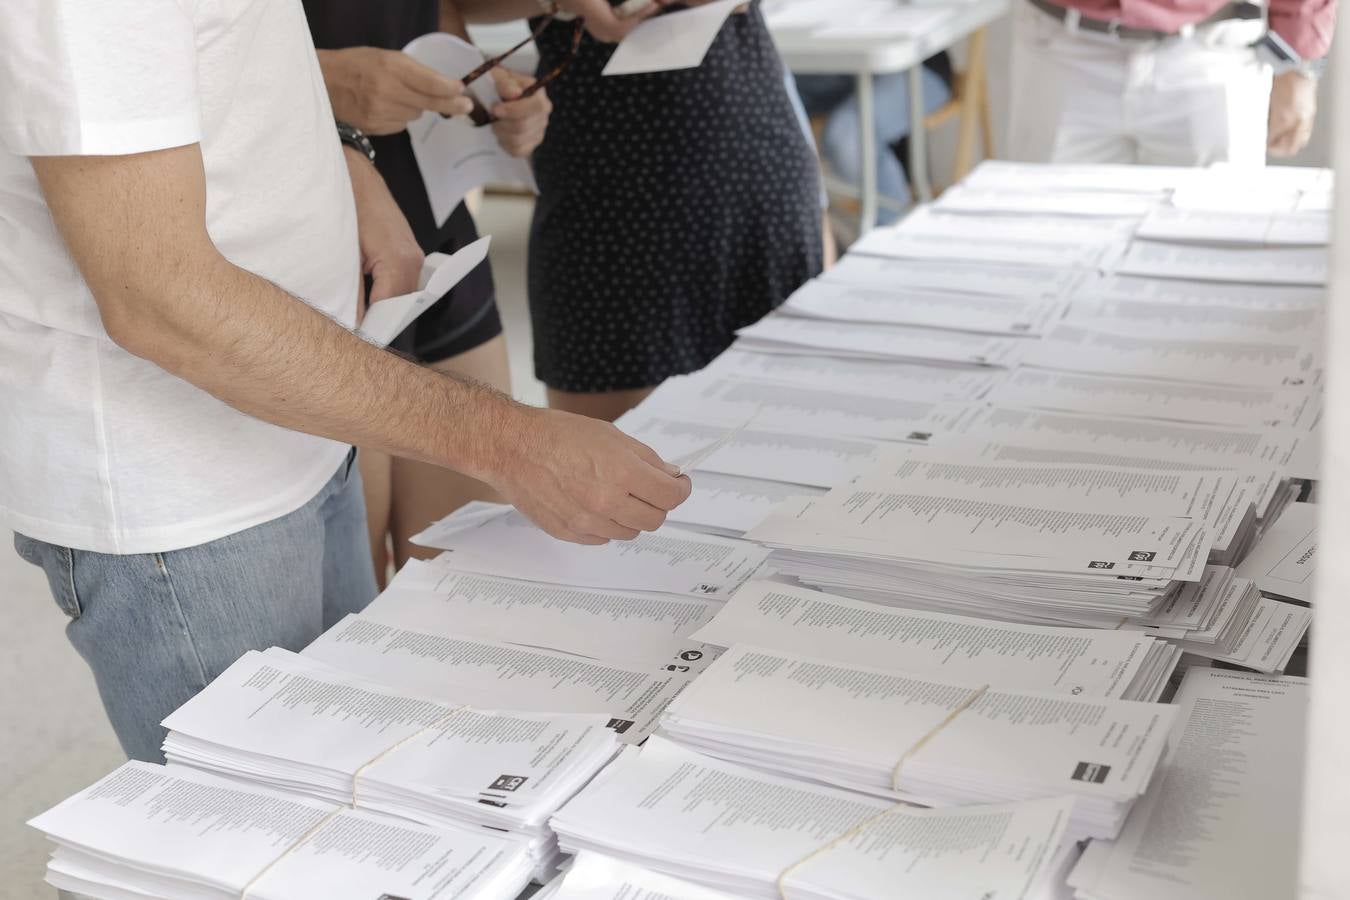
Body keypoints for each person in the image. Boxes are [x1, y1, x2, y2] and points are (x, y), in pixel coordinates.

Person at [0, 0, 689, 763]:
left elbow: (226, 73)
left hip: (297, 427)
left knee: (351, 779)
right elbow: (156, 294)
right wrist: (509, 441)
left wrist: (345, 162)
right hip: (189, 498)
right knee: (260, 848)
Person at [460, 0, 824, 423]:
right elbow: (440, 7)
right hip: (607, 182)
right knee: (618, 462)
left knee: (786, 431)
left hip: (753, 145)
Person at [305, 0, 553, 579]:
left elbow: (433, 12)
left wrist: (487, 89)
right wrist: (321, 78)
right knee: (348, 604)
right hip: (312, 253)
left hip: (437, 234)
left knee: (471, 577)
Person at [1007, 0, 1335, 165]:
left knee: (1216, 245)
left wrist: (1299, 64)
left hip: (1213, 52)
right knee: (1047, 235)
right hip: (1060, 46)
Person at [795, 57, 955, 226]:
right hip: (824, 70)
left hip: (912, 65)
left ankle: (896, 232)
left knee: (849, 134)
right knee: (769, 105)